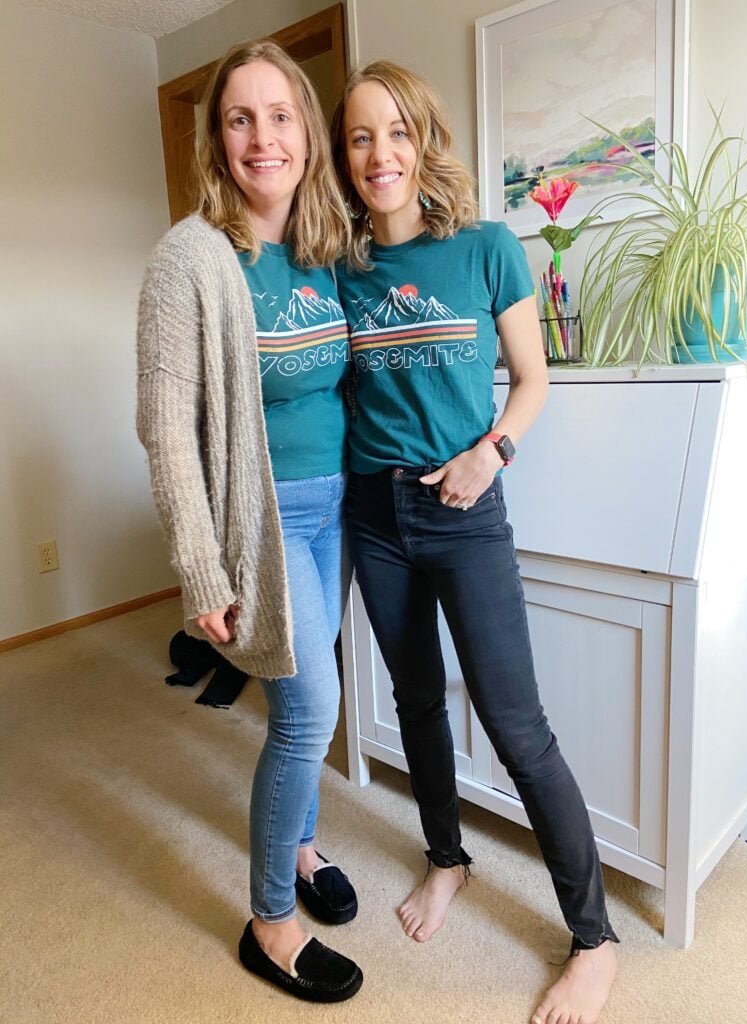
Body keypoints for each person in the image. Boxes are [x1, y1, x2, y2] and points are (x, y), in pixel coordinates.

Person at [330, 61, 618, 1024]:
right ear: (346, 155)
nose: (381, 155)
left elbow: (533, 382)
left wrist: (489, 455)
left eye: (396, 133)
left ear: (424, 141)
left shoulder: (489, 247)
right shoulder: (340, 270)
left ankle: (595, 939)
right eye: (361, 137)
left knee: (516, 725)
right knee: (415, 699)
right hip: (374, 514)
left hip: (465, 512)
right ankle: (446, 860)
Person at [136, 39, 362, 1004]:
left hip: (338, 510)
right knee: (312, 708)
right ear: (216, 136)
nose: (262, 137)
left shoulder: (326, 247)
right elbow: (165, 425)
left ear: (307, 132)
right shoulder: (189, 256)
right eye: (240, 118)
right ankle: (270, 920)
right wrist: (202, 570)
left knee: (306, 705)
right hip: (261, 524)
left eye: (280, 116)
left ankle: (304, 847)